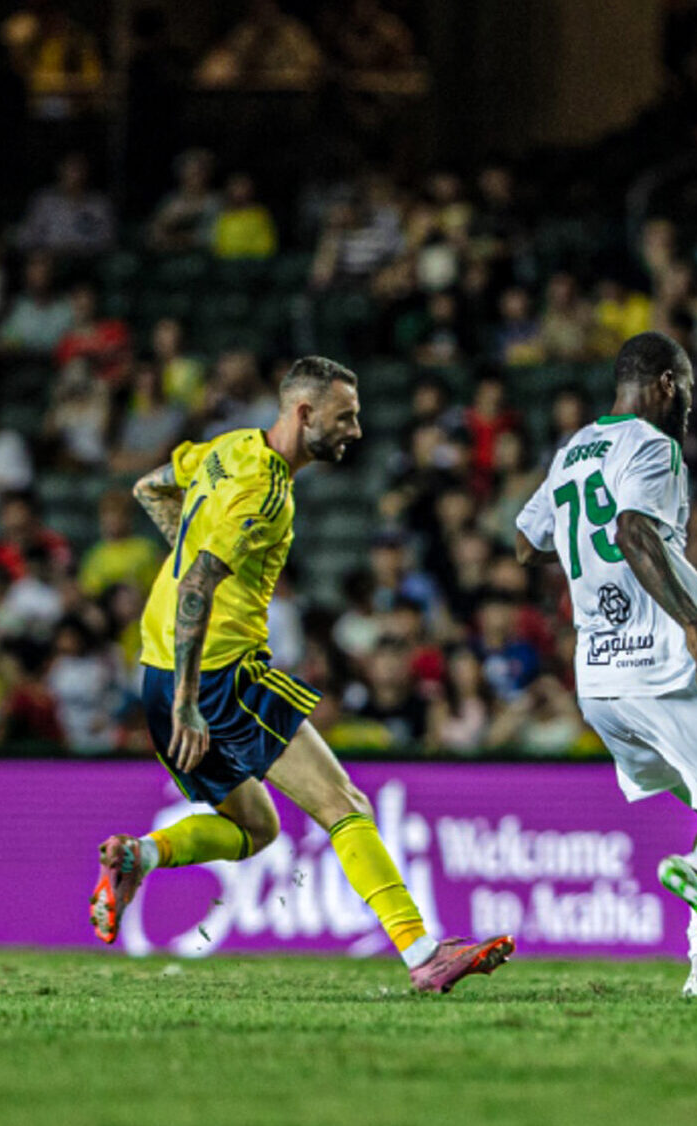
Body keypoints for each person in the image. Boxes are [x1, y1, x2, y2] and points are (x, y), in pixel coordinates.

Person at [93, 356, 514, 993]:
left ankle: (140, 856)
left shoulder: (229, 449)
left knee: (256, 828)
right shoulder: (263, 488)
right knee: (344, 805)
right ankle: (423, 953)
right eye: (346, 417)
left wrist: (187, 549)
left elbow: (150, 487)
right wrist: (189, 700)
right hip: (215, 676)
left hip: (157, 674)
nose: (357, 430)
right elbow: (199, 586)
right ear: (305, 413)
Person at [515, 331, 697, 999]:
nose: (690, 406)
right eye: (690, 391)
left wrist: (581, 559)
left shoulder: (573, 451)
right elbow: (631, 531)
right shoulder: (654, 446)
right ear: (669, 384)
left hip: (599, 678)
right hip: (666, 668)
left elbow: (524, 543)